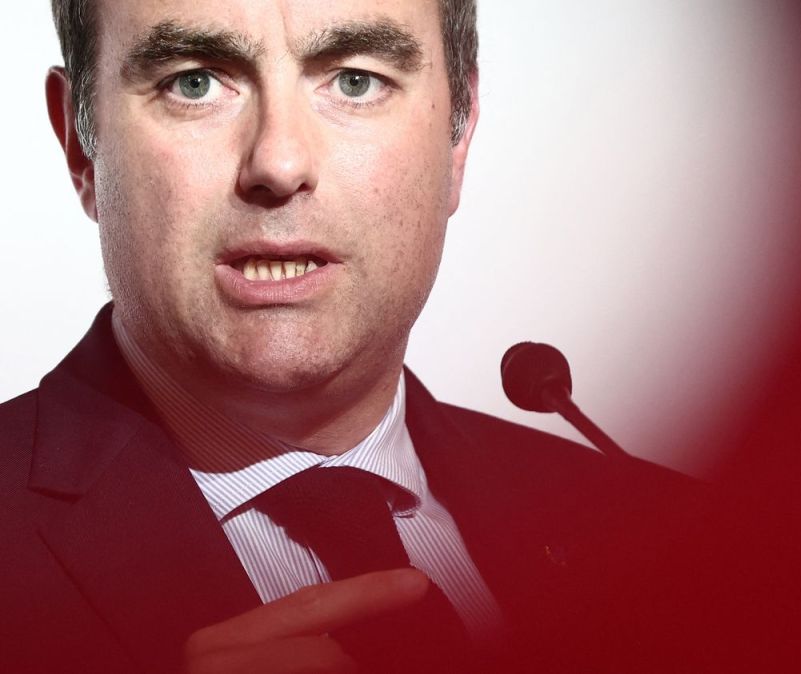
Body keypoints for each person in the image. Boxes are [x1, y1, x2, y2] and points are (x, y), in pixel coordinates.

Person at [0, 1, 702, 671]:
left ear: (458, 138)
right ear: (80, 147)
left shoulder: (670, 543)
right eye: (195, 82)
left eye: (356, 80)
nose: (279, 165)